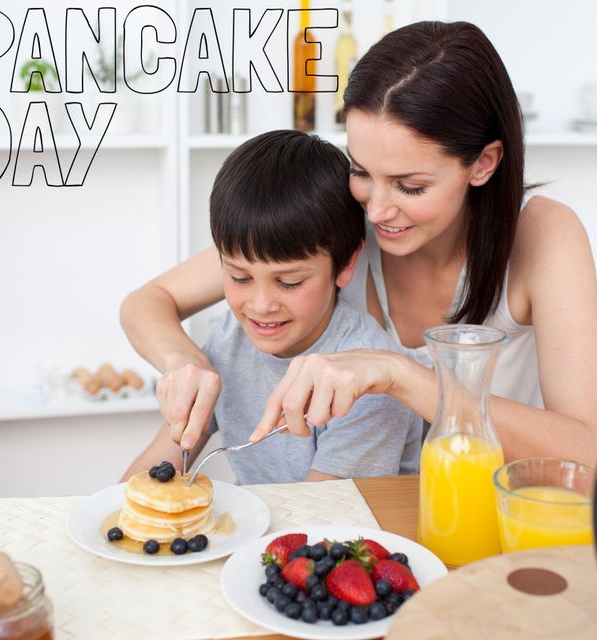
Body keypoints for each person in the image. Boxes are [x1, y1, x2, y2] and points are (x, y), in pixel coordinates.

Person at [121, 21, 597, 466]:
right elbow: (149, 301)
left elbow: (586, 449)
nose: (376, 211)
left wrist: (401, 376)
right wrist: (186, 363)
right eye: (361, 170)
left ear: (483, 163)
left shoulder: (543, 237)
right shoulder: (341, 216)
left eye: (409, 186)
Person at [122, 130, 422, 483]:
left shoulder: (368, 383)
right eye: (239, 277)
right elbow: (148, 476)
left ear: (345, 265)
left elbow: (324, 527)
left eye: (289, 282)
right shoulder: (230, 339)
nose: (261, 306)